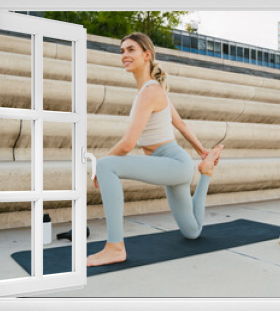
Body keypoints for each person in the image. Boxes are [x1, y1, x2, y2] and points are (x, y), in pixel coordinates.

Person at [87, 32, 224, 267]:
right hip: (175, 165)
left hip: (173, 164)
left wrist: (101, 166)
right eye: (122, 51)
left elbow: (128, 144)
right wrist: (203, 152)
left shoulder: (150, 92)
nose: (124, 55)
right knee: (192, 232)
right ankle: (206, 174)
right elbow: (179, 123)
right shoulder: (152, 91)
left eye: (131, 50)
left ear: (146, 55)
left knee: (104, 164)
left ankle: (115, 247)